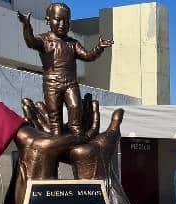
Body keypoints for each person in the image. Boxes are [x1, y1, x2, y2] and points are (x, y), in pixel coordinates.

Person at [17, 3, 112, 138]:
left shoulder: (72, 43)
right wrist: (26, 25)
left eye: (66, 21)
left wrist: (99, 48)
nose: (62, 24)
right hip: (51, 84)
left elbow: (88, 56)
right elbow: (31, 42)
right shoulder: (44, 39)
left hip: (70, 84)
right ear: (48, 20)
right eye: (58, 19)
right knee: (55, 117)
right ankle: (57, 139)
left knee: (75, 108)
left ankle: (76, 136)